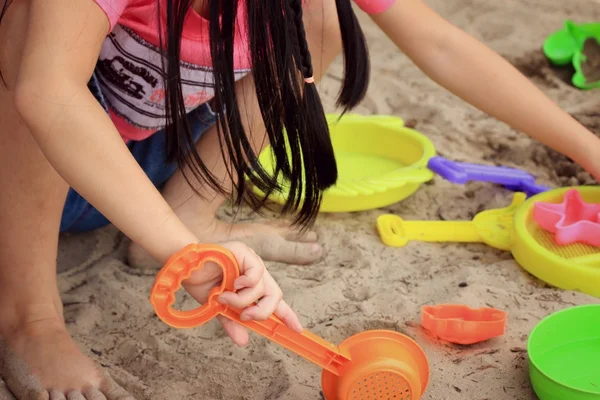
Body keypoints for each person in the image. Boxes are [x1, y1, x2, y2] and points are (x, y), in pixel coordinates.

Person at [0, 0, 598, 399]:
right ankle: (30, 315)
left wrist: (589, 151)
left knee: (322, 16)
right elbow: (47, 94)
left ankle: (189, 213)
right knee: (27, 51)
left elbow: (442, 46)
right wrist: (185, 256)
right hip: (27, 164)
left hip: (132, 168)